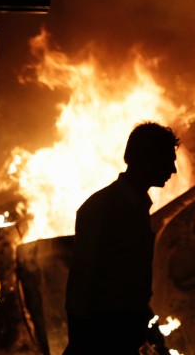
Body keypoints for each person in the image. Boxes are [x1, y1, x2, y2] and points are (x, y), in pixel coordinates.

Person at [64, 122, 179, 354]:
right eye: (168, 159)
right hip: (104, 340)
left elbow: (125, 283)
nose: (173, 169)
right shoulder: (103, 209)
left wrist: (145, 320)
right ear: (149, 159)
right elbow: (82, 285)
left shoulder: (132, 207)